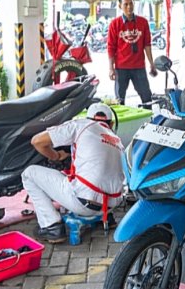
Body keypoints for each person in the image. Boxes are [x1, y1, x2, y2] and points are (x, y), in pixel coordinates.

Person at [22, 103, 125, 243]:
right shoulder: (118, 140)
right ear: (111, 124)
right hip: (110, 206)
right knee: (77, 180)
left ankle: (51, 226)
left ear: (88, 118)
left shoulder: (82, 125)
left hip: (84, 203)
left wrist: (55, 156)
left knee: (29, 173)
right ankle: (108, 219)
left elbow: (37, 141)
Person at [107, 0, 157, 105]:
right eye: (125, 4)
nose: (129, 7)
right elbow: (111, 47)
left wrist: (151, 63)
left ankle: (148, 116)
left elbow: (147, 45)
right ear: (120, 6)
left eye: (131, 3)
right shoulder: (115, 24)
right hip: (121, 68)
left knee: (147, 98)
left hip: (139, 67)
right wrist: (111, 68)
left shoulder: (143, 22)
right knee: (119, 100)